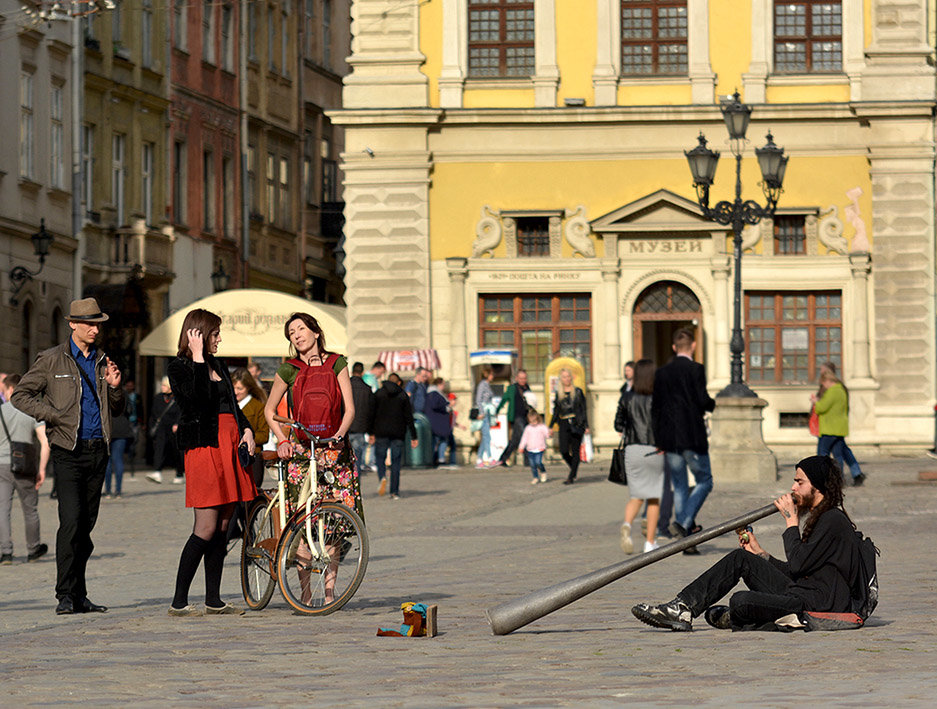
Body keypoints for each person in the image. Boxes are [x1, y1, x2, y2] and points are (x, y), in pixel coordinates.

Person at [632, 456, 864, 632]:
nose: (793, 488)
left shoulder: (832, 520)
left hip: (819, 605)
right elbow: (800, 572)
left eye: (799, 482)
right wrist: (761, 554)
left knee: (740, 601)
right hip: (803, 592)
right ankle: (682, 609)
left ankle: (761, 617)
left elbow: (798, 564)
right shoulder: (821, 516)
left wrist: (791, 523)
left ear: (818, 487)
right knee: (741, 558)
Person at [11, 297, 124, 614]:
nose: (94, 329)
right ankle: (65, 594)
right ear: (73, 324)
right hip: (67, 450)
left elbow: (117, 409)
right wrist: (51, 414)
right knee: (71, 522)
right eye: (88, 323)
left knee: (86, 526)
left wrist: (116, 387)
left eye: (97, 323)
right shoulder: (51, 360)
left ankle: (80, 593)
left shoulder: (103, 361)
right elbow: (21, 395)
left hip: (97, 450)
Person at [166, 309, 256, 616]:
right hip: (205, 448)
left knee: (222, 526)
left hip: (230, 445)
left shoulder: (219, 364)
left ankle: (213, 599)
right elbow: (198, 403)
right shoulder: (180, 367)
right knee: (204, 527)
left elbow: (232, 404)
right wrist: (198, 358)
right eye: (215, 333)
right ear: (199, 335)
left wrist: (247, 430)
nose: (219, 339)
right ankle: (178, 600)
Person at [651, 327, 715, 553]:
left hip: (669, 438)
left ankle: (685, 541)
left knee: (679, 485)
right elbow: (701, 399)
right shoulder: (696, 369)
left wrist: (658, 439)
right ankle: (685, 522)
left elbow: (655, 409)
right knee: (705, 480)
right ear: (693, 346)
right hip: (692, 435)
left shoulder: (661, 372)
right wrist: (712, 404)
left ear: (674, 347)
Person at [615, 359, 664, 554]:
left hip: (633, 449)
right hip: (655, 449)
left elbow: (618, 424)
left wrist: (628, 428)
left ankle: (627, 524)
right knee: (653, 498)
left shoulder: (626, 397)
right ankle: (650, 542)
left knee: (636, 496)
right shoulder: (659, 397)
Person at [1, 374, 50, 565]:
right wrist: (42, 469)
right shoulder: (32, 411)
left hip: (1, 466)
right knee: (30, 509)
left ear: (11, 389)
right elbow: (45, 442)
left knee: (2, 510)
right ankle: (33, 549)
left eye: (4, 391)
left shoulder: (0, 411)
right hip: (25, 466)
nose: (3, 395)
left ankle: (6, 553)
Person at [368, 372, 418, 499]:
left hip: (381, 431)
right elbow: (409, 416)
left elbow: (371, 414)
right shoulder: (402, 395)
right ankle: (394, 491)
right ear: (399, 382)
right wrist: (414, 436)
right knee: (396, 462)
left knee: (380, 458)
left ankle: (382, 477)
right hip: (398, 433)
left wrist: (371, 432)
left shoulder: (378, 393)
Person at [812, 369, 866, 486]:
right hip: (839, 428)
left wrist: (816, 401)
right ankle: (840, 479)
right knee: (839, 455)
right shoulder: (842, 390)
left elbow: (822, 408)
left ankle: (824, 479)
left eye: (823, 383)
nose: (823, 386)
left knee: (822, 454)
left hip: (830, 428)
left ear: (827, 381)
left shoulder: (832, 392)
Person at [231, 367, 269, 488]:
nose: (236, 392)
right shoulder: (227, 406)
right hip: (230, 456)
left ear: (248, 387)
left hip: (251, 457)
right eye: (234, 388)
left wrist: (246, 438)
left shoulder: (258, 407)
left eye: (240, 388)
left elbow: (264, 435)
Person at [549, 368, 588, 485]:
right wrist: (550, 426)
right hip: (564, 423)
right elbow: (556, 411)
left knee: (575, 451)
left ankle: (571, 476)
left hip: (577, 422)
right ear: (561, 379)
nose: (566, 379)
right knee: (564, 450)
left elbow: (584, 409)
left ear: (571, 378)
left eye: (568, 376)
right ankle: (574, 467)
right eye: (564, 377)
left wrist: (586, 425)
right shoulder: (559, 393)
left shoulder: (578, 392)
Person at [147, 377, 184, 485]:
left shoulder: (177, 398)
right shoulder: (158, 398)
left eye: (164, 385)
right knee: (159, 449)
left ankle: (179, 473)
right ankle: (157, 471)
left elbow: (181, 413)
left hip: (173, 429)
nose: (162, 387)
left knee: (176, 451)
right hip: (161, 428)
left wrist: (177, 423)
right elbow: (154, 414)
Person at [494, 370, 532, 467]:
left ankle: (502, 459)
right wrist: (496, 411)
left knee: (515, 440)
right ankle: (527, 461)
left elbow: (531, 402)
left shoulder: (527, 388)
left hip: (526, 416)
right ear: (517, 378)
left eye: (525, 378)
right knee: (525, 436)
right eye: (521, 378)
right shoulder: (512, 388)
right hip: (516, 417)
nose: (523, 380)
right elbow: (504, 399)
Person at [104, 397, 134, 499]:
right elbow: (130, 410)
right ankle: (118, 490)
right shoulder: (123, 394)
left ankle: (108, 490)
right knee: (118, 460)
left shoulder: (102, 391)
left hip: (106, 428)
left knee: (107, 461)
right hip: (121, 428)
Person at [348, 362, 373, 477]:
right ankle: (357, 486)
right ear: (362, 373)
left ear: (352, 372)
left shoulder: (345, 386)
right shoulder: (366, 389)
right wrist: (371, 431)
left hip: (345, 428)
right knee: (357, 459)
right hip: (360, 428)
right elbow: (370, 411)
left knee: (345, 461)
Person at [517, 409, 551, 484]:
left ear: (538, 419)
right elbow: (524, 438)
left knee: (538, 462)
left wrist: (549, 434)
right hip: (530, 448)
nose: (533, 423)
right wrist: (521, 447)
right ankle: (535, 477)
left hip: (540, 448)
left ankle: (543, 471)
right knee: (532, 464)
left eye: (534, 421)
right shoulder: (528, 428)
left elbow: (547, 435)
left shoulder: (542, 427)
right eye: (531, 421)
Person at [425, 377, 453, 467]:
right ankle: (438, 459)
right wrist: (446, 407)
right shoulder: (434, 393)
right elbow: (435, 405)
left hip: (438, 421)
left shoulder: (432, 393)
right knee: (439, 440)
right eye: (443, 385)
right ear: (439, 385)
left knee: (438, 440)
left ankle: (438, 459)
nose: (444, 387)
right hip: (438, 421)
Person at [474, 367, 496, 468]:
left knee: (485, 436)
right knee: (487, 436)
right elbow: (478, 399)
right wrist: (481, 412)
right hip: (483, 413)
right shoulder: (482, 385)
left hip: (487, 413)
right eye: (491, 374)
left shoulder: (487, 385)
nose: (493, 376)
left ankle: (479, 459)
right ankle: (490, 458)